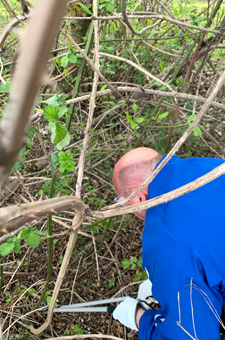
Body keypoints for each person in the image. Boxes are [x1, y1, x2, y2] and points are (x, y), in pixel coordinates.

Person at [112, 147, 225, 340]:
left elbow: (190, 334)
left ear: (138, 196)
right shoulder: (209, 166)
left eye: (122, 201)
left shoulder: (167, 239)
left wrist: (140, 318)